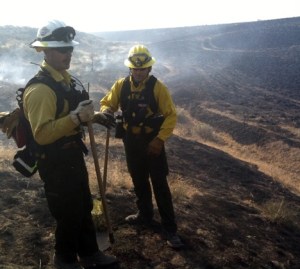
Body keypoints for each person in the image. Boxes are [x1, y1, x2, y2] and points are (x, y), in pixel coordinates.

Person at [23, 20, 118, 269]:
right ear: (45, 51)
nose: (68, 54)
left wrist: (93, 117)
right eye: (62, 49)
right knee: (68, 212)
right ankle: (64, 260)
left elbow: (66, 113)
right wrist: (77, 118)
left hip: (71, 156)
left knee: (83, 205)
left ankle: (89, 253)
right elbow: (42, 134)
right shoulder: (40, 90)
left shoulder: (64, 80)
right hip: (54, 162)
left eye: (70, 49)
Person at [99, 44, 184, 249]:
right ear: (130, 68)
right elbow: (107, 103)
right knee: (138, 179)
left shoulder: (157, 87)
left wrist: (159, 140)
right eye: (135, 69)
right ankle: (144, 215)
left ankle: (170, 229)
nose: (138, 72)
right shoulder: (121, 85)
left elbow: (171, 115)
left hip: (151, 142)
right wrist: (106, 112)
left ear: (149, 69)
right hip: (131, 140)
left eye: (142, 68)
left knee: (159, 184)